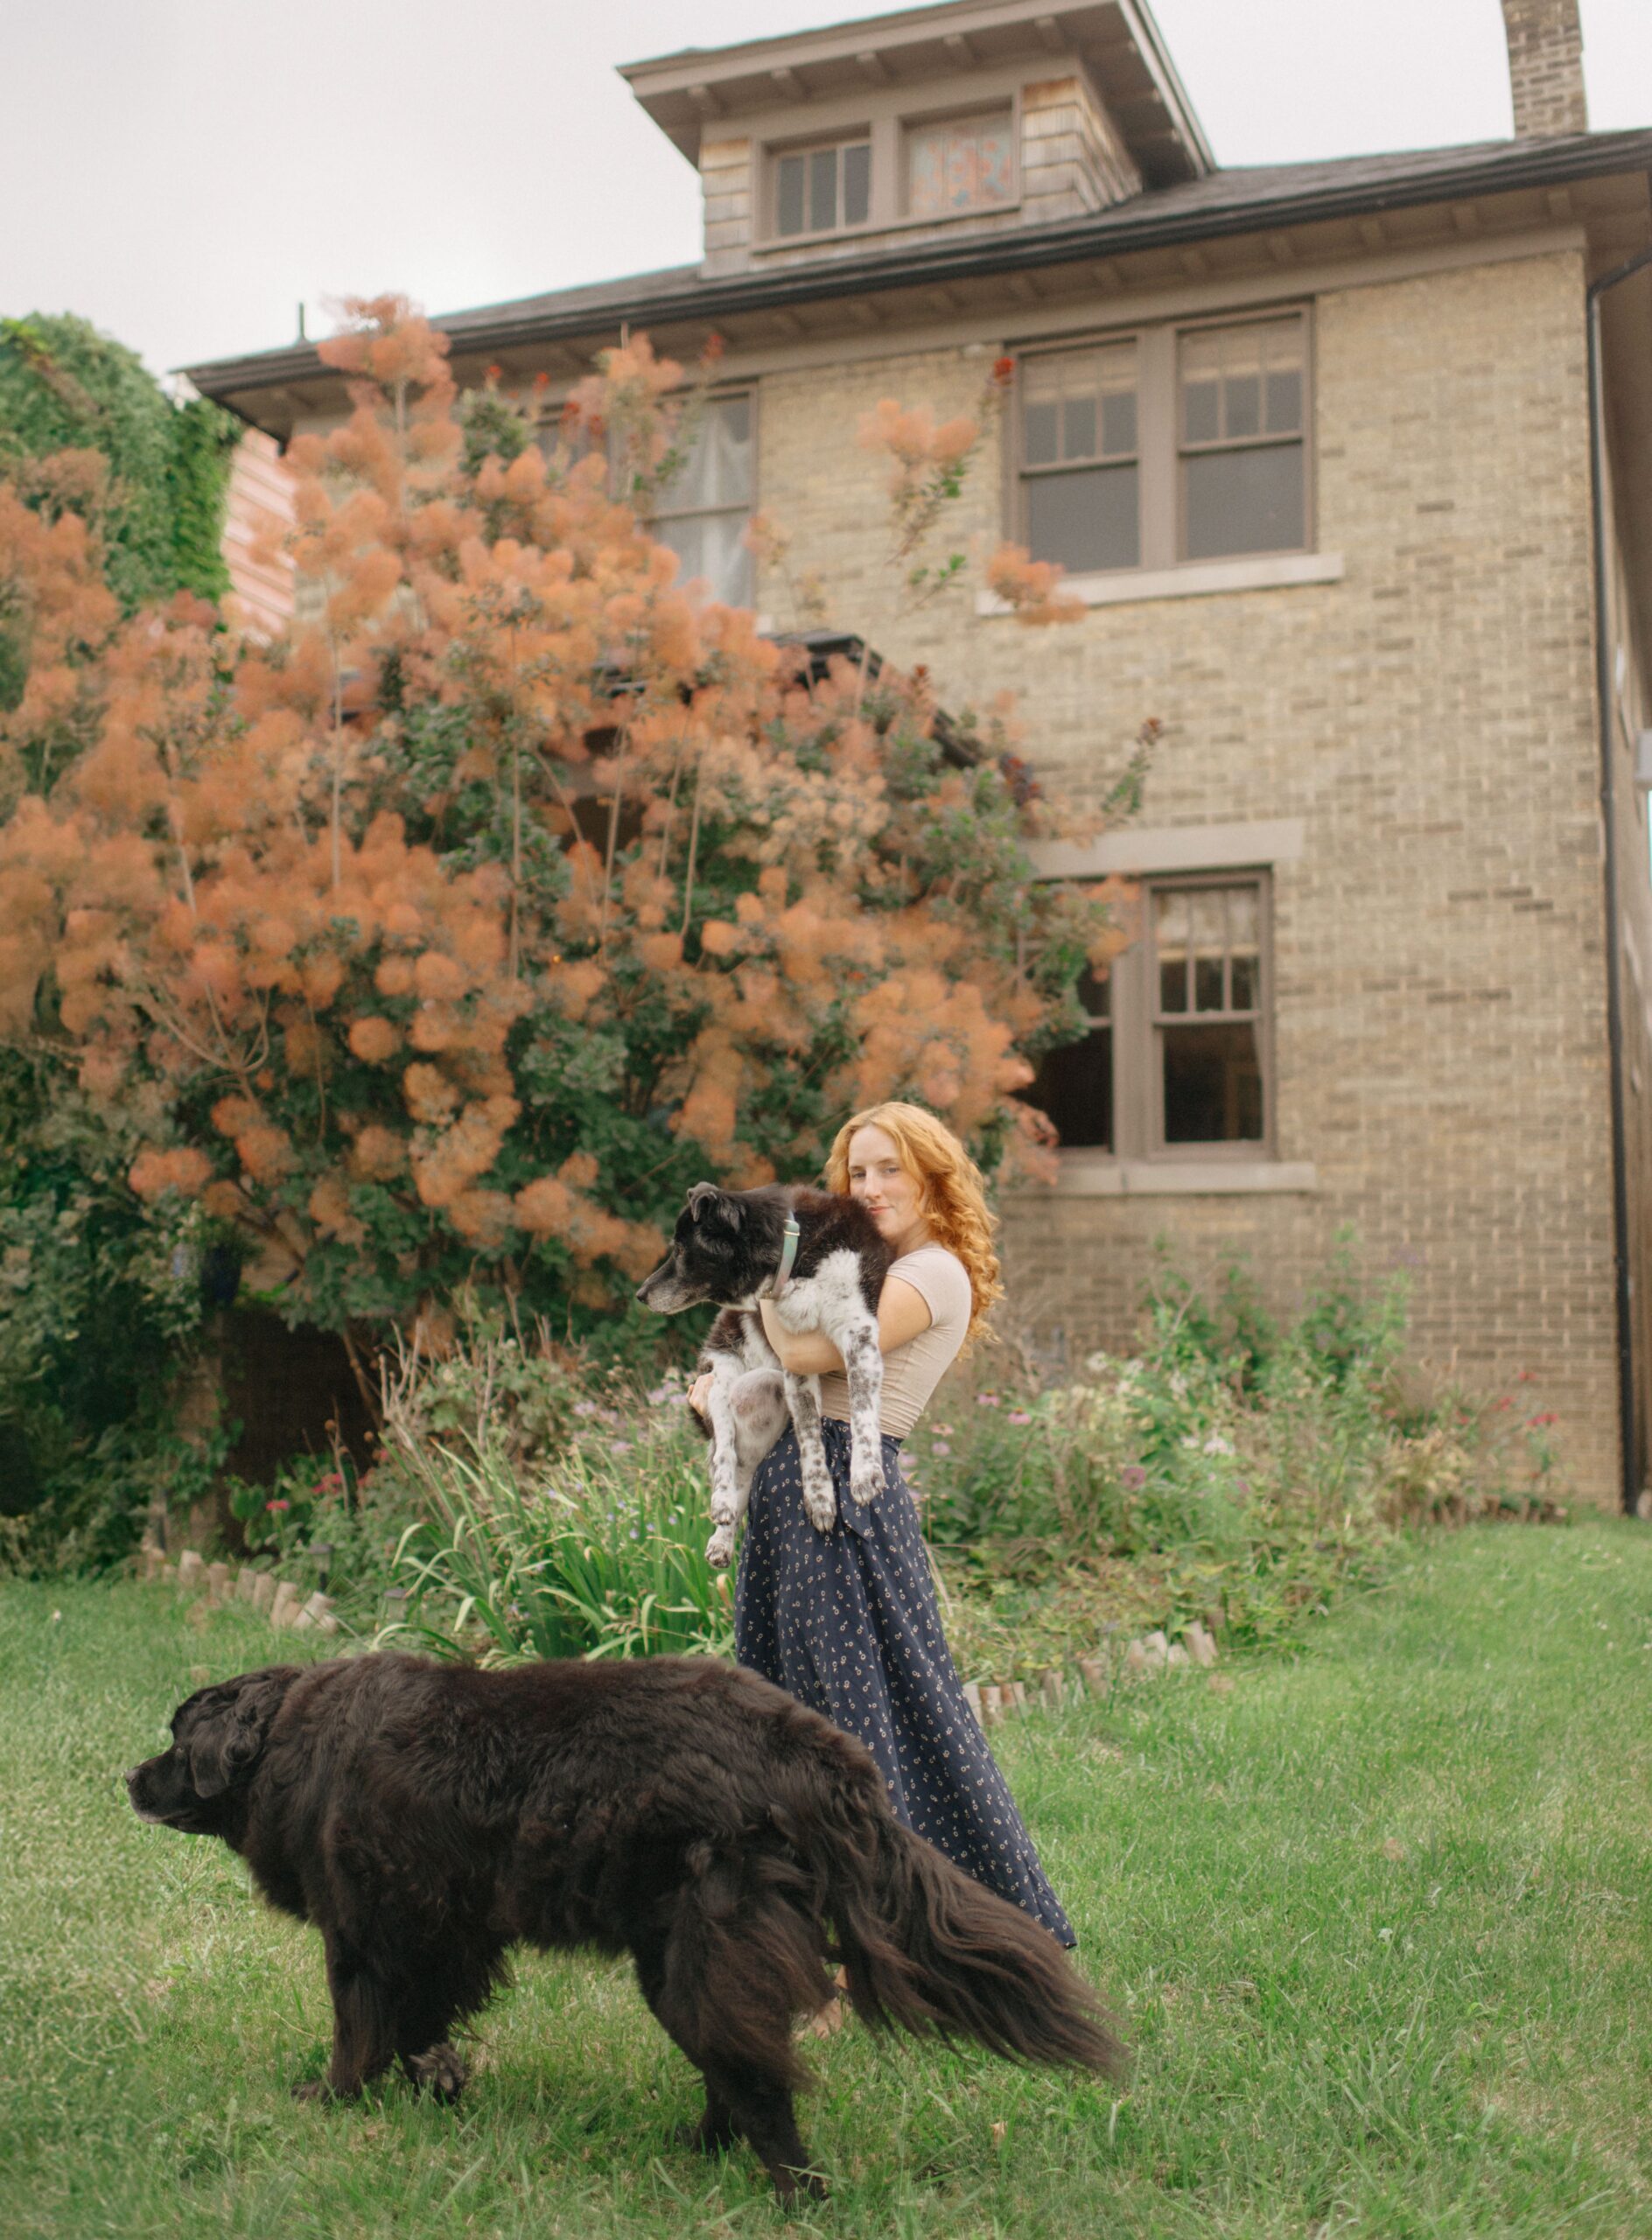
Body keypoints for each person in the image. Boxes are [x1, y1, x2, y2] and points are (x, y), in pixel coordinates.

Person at [688, 1101, 1075, 1964]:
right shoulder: (865, 1266)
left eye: (887, 1168)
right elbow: (762, 1358)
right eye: (855, 1173)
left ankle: (934, 1938)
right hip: (792, 1498)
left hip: (845, 1506)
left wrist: (760, 1285)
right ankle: (823, 1950)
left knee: (861, 1728)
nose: (868, 1188)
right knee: (792, 1726)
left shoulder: (932, 1273)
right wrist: (714, 1393)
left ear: (933, 1177)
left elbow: (805, 1355)